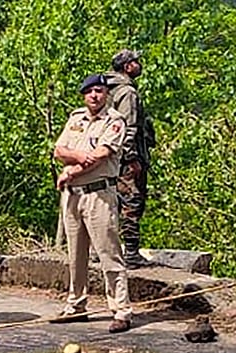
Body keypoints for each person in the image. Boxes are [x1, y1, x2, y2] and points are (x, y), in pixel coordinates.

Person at [52, 74, 132, 333]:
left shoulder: (115, 121)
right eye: (90, 92)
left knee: (109, 253)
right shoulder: (75, 119)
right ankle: (76, 305)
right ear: (83, 95)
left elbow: (102, 154)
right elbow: (59, 150)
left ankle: (121, 309)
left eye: (99, 91)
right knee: (75, 254)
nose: (95, 96)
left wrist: (70, 171)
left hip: (99, 194)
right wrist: (79, 157)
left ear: (106, 94)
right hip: (72, 195)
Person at [104, 49, 156, 269]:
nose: (139, 65)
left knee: (111, 203)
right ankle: (131, 253)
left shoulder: (106, 89)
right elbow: (129, 126)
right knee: (132, 202)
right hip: (126, 159)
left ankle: (107, 250)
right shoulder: (127, 93)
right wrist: (131, 157)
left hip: (109, 157)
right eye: (136, 61)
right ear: (127, 67)